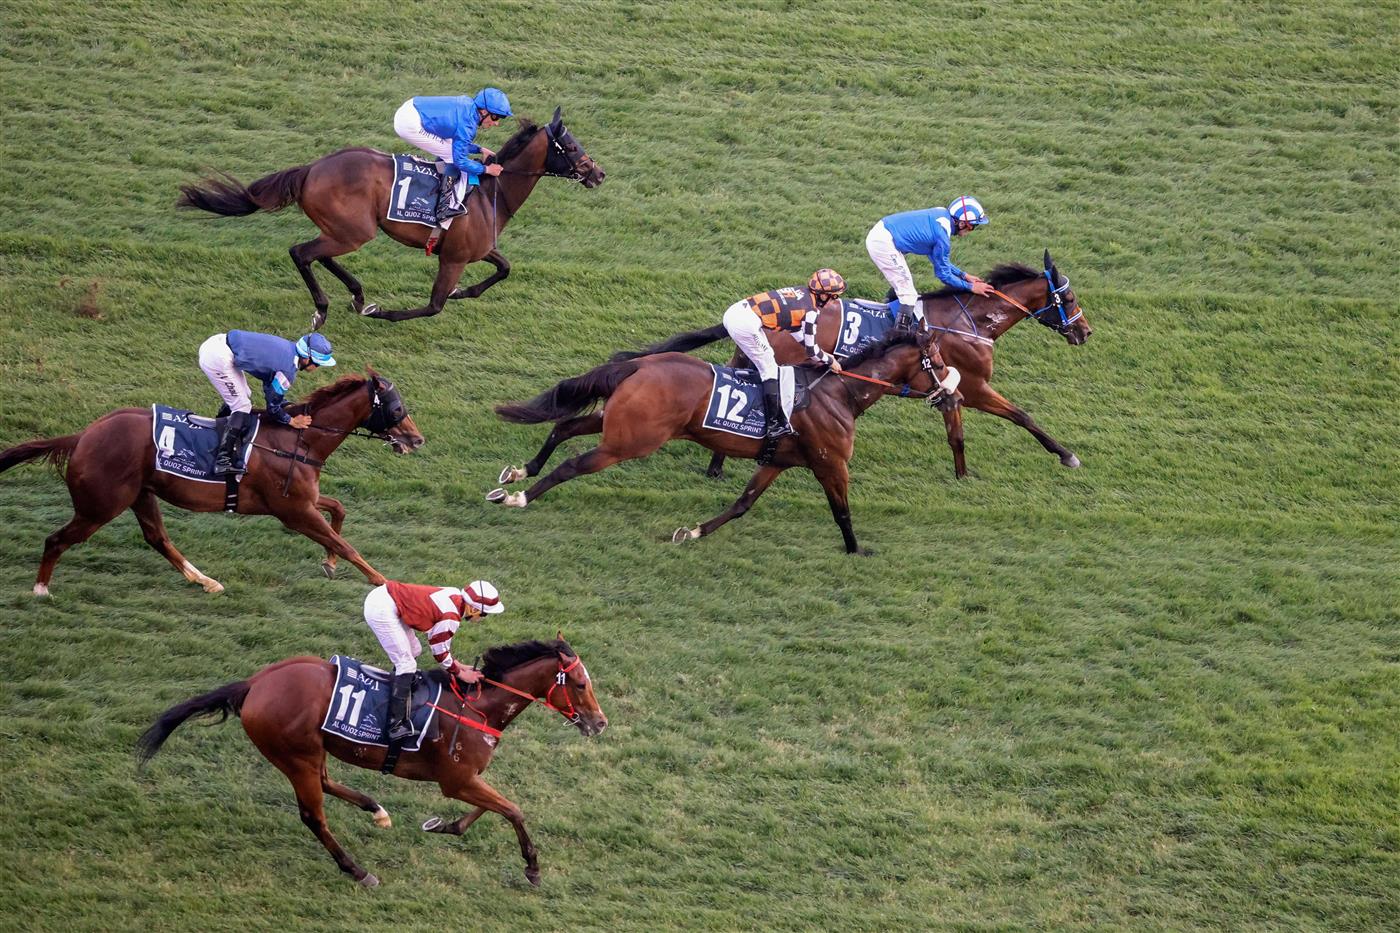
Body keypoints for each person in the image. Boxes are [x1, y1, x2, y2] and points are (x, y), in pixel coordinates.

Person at [722, 269, 846, 465]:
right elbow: (812, 350)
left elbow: (798, 333)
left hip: (738, 312)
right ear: (823, 295)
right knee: (770, 368)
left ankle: (745, 379)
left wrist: (821, 355)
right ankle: (774, 424)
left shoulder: (801, 293)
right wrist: (830, 360)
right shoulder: (812, 312)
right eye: (833, 297)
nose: (832, 301)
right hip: (745, 323)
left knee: (766, 358)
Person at [362, 579, 505, 749]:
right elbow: (439, 652)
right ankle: (396, 725)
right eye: (483, 614)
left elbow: (441, 643)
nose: (482, 618)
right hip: (382, 609)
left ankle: (399, 688)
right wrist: (459, 673)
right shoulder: (451, 617)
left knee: (414, 650)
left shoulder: (455, 595)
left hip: (387, 599)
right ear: (473, 609)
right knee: (406, 664)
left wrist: (456, 664)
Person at [197, 330, 335, 477]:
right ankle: (222, 461)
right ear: (307, 358)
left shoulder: (288, 348)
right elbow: (272, 408)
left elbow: (270, 384)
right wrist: (291, 421)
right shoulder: (287, 371)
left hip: (217, 343)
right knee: (242, 406)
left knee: (244, 395)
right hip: (217, 358)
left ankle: (219, 432)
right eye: (318, 364)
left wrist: (280, 402)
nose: (317, 368)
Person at [392, 88, 513, 250]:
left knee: (449, 147)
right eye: (495, 117)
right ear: (483, 111)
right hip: (409, 124)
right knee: (451, 157)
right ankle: (443, 209)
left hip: (411, 108)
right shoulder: (469, 123)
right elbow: (460, 160)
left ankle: (441, 185)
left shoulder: (468, 107)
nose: (496, 123)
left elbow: (458, 138)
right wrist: (486, 170)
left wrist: (480, 150)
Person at [866, 196, 994, 328]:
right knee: (909, 295)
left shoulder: (942, 213)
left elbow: (939, 260)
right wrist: (971, 287)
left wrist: (963, 275)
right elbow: (943, 275)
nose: (972, 230)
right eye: (973, 226)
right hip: (883, 243)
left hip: (884, 233)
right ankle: (898, 336)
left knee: (904, 282)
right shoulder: (942, 237)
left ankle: (889, 313)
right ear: (962, 223)